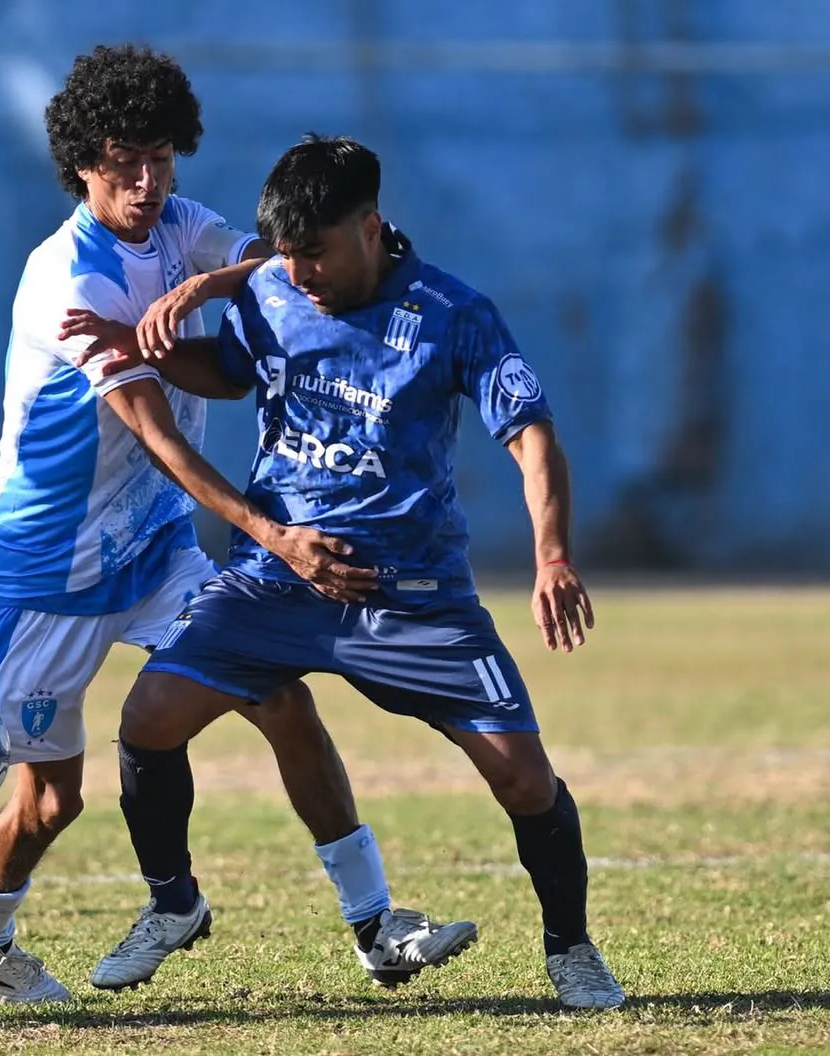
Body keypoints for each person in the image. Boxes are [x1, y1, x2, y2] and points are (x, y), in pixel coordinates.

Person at [0, 49, 477, 1006]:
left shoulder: (182, 228)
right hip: (47, 573)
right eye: (121, 163)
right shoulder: (69, 279)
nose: (146, 183)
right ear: (81, 166)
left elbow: (279, 262)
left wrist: (203, 288)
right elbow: (155, 433)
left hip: (152, 551)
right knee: (50, 800)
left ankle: (375, 924)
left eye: (160, 158)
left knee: (284, 703)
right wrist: (275, 536)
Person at [63, 134, 627, 1010]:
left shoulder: (452, 314)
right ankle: (175, 904)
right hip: (276, 577)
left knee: (522, 776)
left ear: (369, 228)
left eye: (314, 252)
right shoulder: (272, 288)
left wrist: (552, 555)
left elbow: (532, 436)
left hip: (412, 597)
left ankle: (571, 948)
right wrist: (141, 347)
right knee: (148, 719)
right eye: (286, 256)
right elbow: (227, 369)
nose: (300, 273)